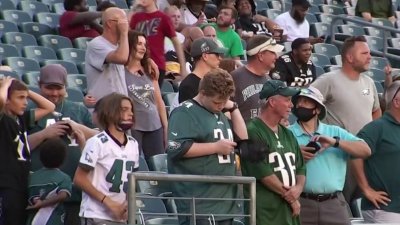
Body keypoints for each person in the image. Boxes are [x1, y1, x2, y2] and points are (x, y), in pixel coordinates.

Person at [167, 68, 247, 225]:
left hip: (225, 202)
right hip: (199, 202)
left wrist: (233, 108)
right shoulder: (184, 112)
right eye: (217, 102)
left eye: (224, 101)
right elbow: (175, 148)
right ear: (202, 93)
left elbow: (243, 139)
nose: (220, 105)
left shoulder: (219, 112)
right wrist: (215, 147)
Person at [311, 35, 381, 212]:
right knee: (340, 206)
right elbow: (305, 103)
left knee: (364, 206)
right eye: (364, 53)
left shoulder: (369, 82)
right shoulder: (328, 80)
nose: (369, 56)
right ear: (350, 57)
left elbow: (376, 111)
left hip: (366, 155)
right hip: (339, 155)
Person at [288, 86, 371, 225]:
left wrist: (335, 142)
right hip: (301, 202)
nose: (300, 105)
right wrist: (295, 156)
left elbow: (365, 150)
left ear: (318, 109)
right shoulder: (287, 133)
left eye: (306, 101)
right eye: (299, 101)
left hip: (334, 204)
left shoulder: (335, 131)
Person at [27, 64, 94, 225]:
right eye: (49, 88)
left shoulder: (78, 110)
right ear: (39, 86)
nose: (54, 93)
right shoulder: (29, 110)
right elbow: (14, 147)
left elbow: (101, 140)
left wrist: (79, 129)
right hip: (38, 193)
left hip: (74, 191)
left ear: (66, 87)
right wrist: (44, 134)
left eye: (59, 88)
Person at [240, 80, 305, 225]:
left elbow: (301, 167)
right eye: (287, 100)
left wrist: (298, 189)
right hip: (266, 211)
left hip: (289, 210)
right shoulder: (252, 130)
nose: (291, 105)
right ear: (272, 102)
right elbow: (263, 172)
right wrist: (292, 198)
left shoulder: (287, 134)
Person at [74, 93, 140, 224]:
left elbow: (133, 181)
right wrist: (108, 202)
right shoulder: (97, 142)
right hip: (96, 213)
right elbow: (79, 179)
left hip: (120, 216)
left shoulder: (133, 144)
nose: (131, 113)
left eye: (131, 109)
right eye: (125, 109)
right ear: (110, 112)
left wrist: (127, 204)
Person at [0, 77, 55, 225]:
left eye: (26, 98)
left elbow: (49, 107)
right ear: (6, 99)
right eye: (20, 98)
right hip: (6, 184)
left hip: (22, 182)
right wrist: (5, 85)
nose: (25, 102)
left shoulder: (21, 118)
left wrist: (26, 91)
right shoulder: (3, 119)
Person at [352, 81, 400, 223]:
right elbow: (354, 154)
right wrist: (366, 189)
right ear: (397, 102)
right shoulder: (377, 127)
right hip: (385, 210)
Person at [125, 30, 168, 159]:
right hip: (134, 125)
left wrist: (165, 126)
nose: (143, 48)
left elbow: (159, 101)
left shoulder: (150, 70)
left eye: (144, 44)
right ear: (130, 45)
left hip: (155, 125)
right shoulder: (120, 71)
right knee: (133, 163)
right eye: (139, 44)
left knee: (158, 166)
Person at [130, 0, 187, 87]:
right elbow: (125, 33)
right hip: (138, 65)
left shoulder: (163, 18)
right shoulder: (136, 17)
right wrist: (133, 8)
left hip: (157, 65)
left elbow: (176, 42)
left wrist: (183, 69)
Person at [231, 35, 284, 122]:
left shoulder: (268, 80)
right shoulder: (234, 78)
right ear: (261, 56)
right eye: (273, 52)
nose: (277, 57)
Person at [85, 7, 129, 103]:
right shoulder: (96, 44)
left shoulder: (120, 46)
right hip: (103, 108)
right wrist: (124, 34)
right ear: (109, 23)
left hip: (119, 106)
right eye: (123, 22)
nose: (126, 25)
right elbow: (121, 58)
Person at [26, 138, 72, 225]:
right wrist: (42, 203)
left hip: (32, 221)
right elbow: (63, 195)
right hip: (53, 220)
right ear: (63, 159)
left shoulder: (31, 177)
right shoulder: (64, 178)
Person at [178, 37, 225, 103]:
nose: (220, 58)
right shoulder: (188, 86)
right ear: (205, 56)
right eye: (217, 54)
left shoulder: (215, 80)